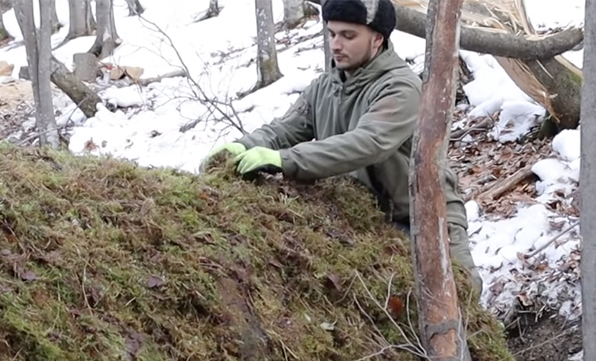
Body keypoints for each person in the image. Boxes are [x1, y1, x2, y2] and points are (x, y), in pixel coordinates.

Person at [203, 0, 482, 296]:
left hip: (423, 218)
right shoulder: (324, 86)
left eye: (348, 36)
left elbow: (367, 143)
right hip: (366, 221)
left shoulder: (400, 87)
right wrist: (240, 147)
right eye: (332, 34)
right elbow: (284, 129)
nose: (336, 44)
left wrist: (285, 160)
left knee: (459, 300)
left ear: (377, 38)